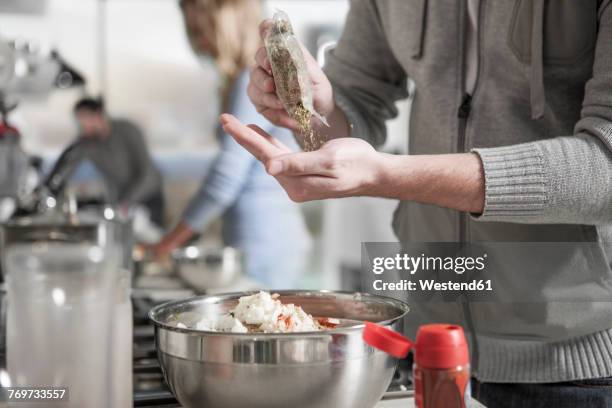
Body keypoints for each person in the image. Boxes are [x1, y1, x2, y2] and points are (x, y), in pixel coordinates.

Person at [222, 1, 612, 407]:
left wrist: (387, 175)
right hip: (427, 340)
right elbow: (352, 104)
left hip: (577, 363)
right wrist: (313, 110)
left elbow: (606, 166)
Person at [151, 0, 311, 289]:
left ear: (227, 23)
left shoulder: (251, 80)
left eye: (201, 29)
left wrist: (166, 244)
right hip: (265, 240)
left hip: (264, 243)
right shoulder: (251, 77)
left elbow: (226, 176)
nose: (198, 42)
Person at [47, 98, 164, 226]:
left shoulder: (127, 130)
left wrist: (126, 203)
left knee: (150, 239)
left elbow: (147, 173)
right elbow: (66, 164)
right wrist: (50, 187)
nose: (83, 126)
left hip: (148, 198)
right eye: (79, 121)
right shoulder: (86, 143)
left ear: (99, 115)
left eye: (85, 120)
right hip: (121, 203)